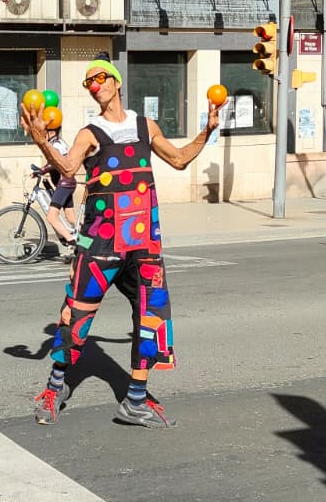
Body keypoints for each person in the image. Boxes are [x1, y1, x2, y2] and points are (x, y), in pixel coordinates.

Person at [19, 55, 222, 429]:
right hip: (100, 243)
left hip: (145, 243)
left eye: (99, 78)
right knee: (76, 315)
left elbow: (179, 159)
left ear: (116, 81)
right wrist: (43, 143)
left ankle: (135, 400)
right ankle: (54, 387)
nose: (95, 86)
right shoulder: (90, 133)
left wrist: (207, 130)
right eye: (89, 83)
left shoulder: (145, 126)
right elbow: (68, 168)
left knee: (152, 317)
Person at [37, 104, 79, 258]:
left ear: (52, 131)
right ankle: (89, 242)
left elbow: (56, 162)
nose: (43, 133)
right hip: (67, 183)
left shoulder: (57, 145)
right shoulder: (57, 143)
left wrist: (43, 170)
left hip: (64, 184)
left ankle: (71, 242)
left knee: (51, 217)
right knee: (71, 218)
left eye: (45, 131)